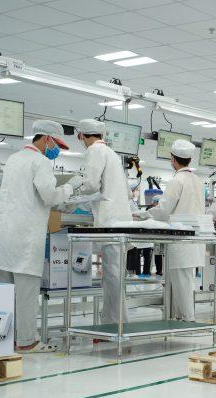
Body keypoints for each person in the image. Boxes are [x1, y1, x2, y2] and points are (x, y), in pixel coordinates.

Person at [0, 120, 83, 352]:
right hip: (25, 238)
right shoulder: (40, 161)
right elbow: (49, 196)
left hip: (3, 237)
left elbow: (30, 197)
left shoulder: (14, 159)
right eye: (56, 145)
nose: (56, 150)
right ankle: (26, 341)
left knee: (4, 295)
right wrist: (72, 186)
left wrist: (62, 204)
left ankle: (3, 338)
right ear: (46, 139)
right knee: (26, 294)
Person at [135, 139, 204, 321]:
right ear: (189, 159)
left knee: (181, 284)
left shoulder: (177, 180)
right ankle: (178, 317)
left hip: (180, 240)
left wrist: (142, 215)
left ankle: (187, 320)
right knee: (185, 282)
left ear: (173, 159)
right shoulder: (198, 180)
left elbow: (164, 210)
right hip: (194, 239)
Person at [75, 119, 134, 325]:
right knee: (114, 275)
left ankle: (115, 324)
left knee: (112, 277)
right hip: (121, 222)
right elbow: (128, 192)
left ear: (81, 135)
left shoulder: (94, 151)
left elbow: (91, 185)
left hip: (110, 222)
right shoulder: (112, 154)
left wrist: (73, 193)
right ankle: (115, 321)